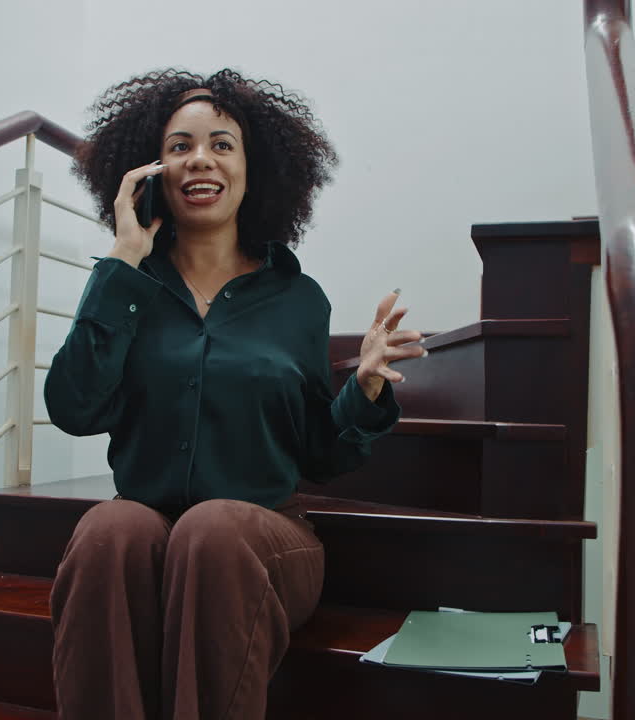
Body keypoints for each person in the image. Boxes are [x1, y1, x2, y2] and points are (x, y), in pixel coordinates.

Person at [43, 68, 425, 720]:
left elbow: (319, 452)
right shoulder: (127, 286)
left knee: (213, 530)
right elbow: (74, 408)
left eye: (222, 144)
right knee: (111, 526)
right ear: (152, 167)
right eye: (180, 145)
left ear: (255, 170)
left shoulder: (296, 299)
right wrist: (122, 263)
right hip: (150, 539)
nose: (200, 158)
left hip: (261, 540)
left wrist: (360, 390)